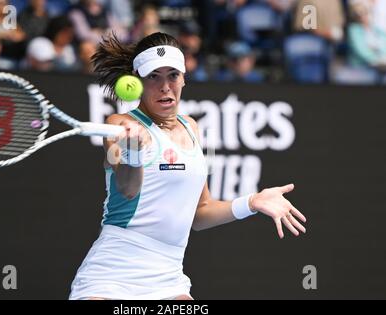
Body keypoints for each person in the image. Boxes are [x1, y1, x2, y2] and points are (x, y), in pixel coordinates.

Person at [69, 32, 307, 300]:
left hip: (169, 278)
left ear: (184, 78)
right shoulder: (118, 124)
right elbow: (127, 188)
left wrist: (252, 201)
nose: (165, 87)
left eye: (172, 75)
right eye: (153, 77)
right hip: (112, 274)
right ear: (135, 81)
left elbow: (201, 213)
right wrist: (133, 154)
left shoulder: (192, 127)